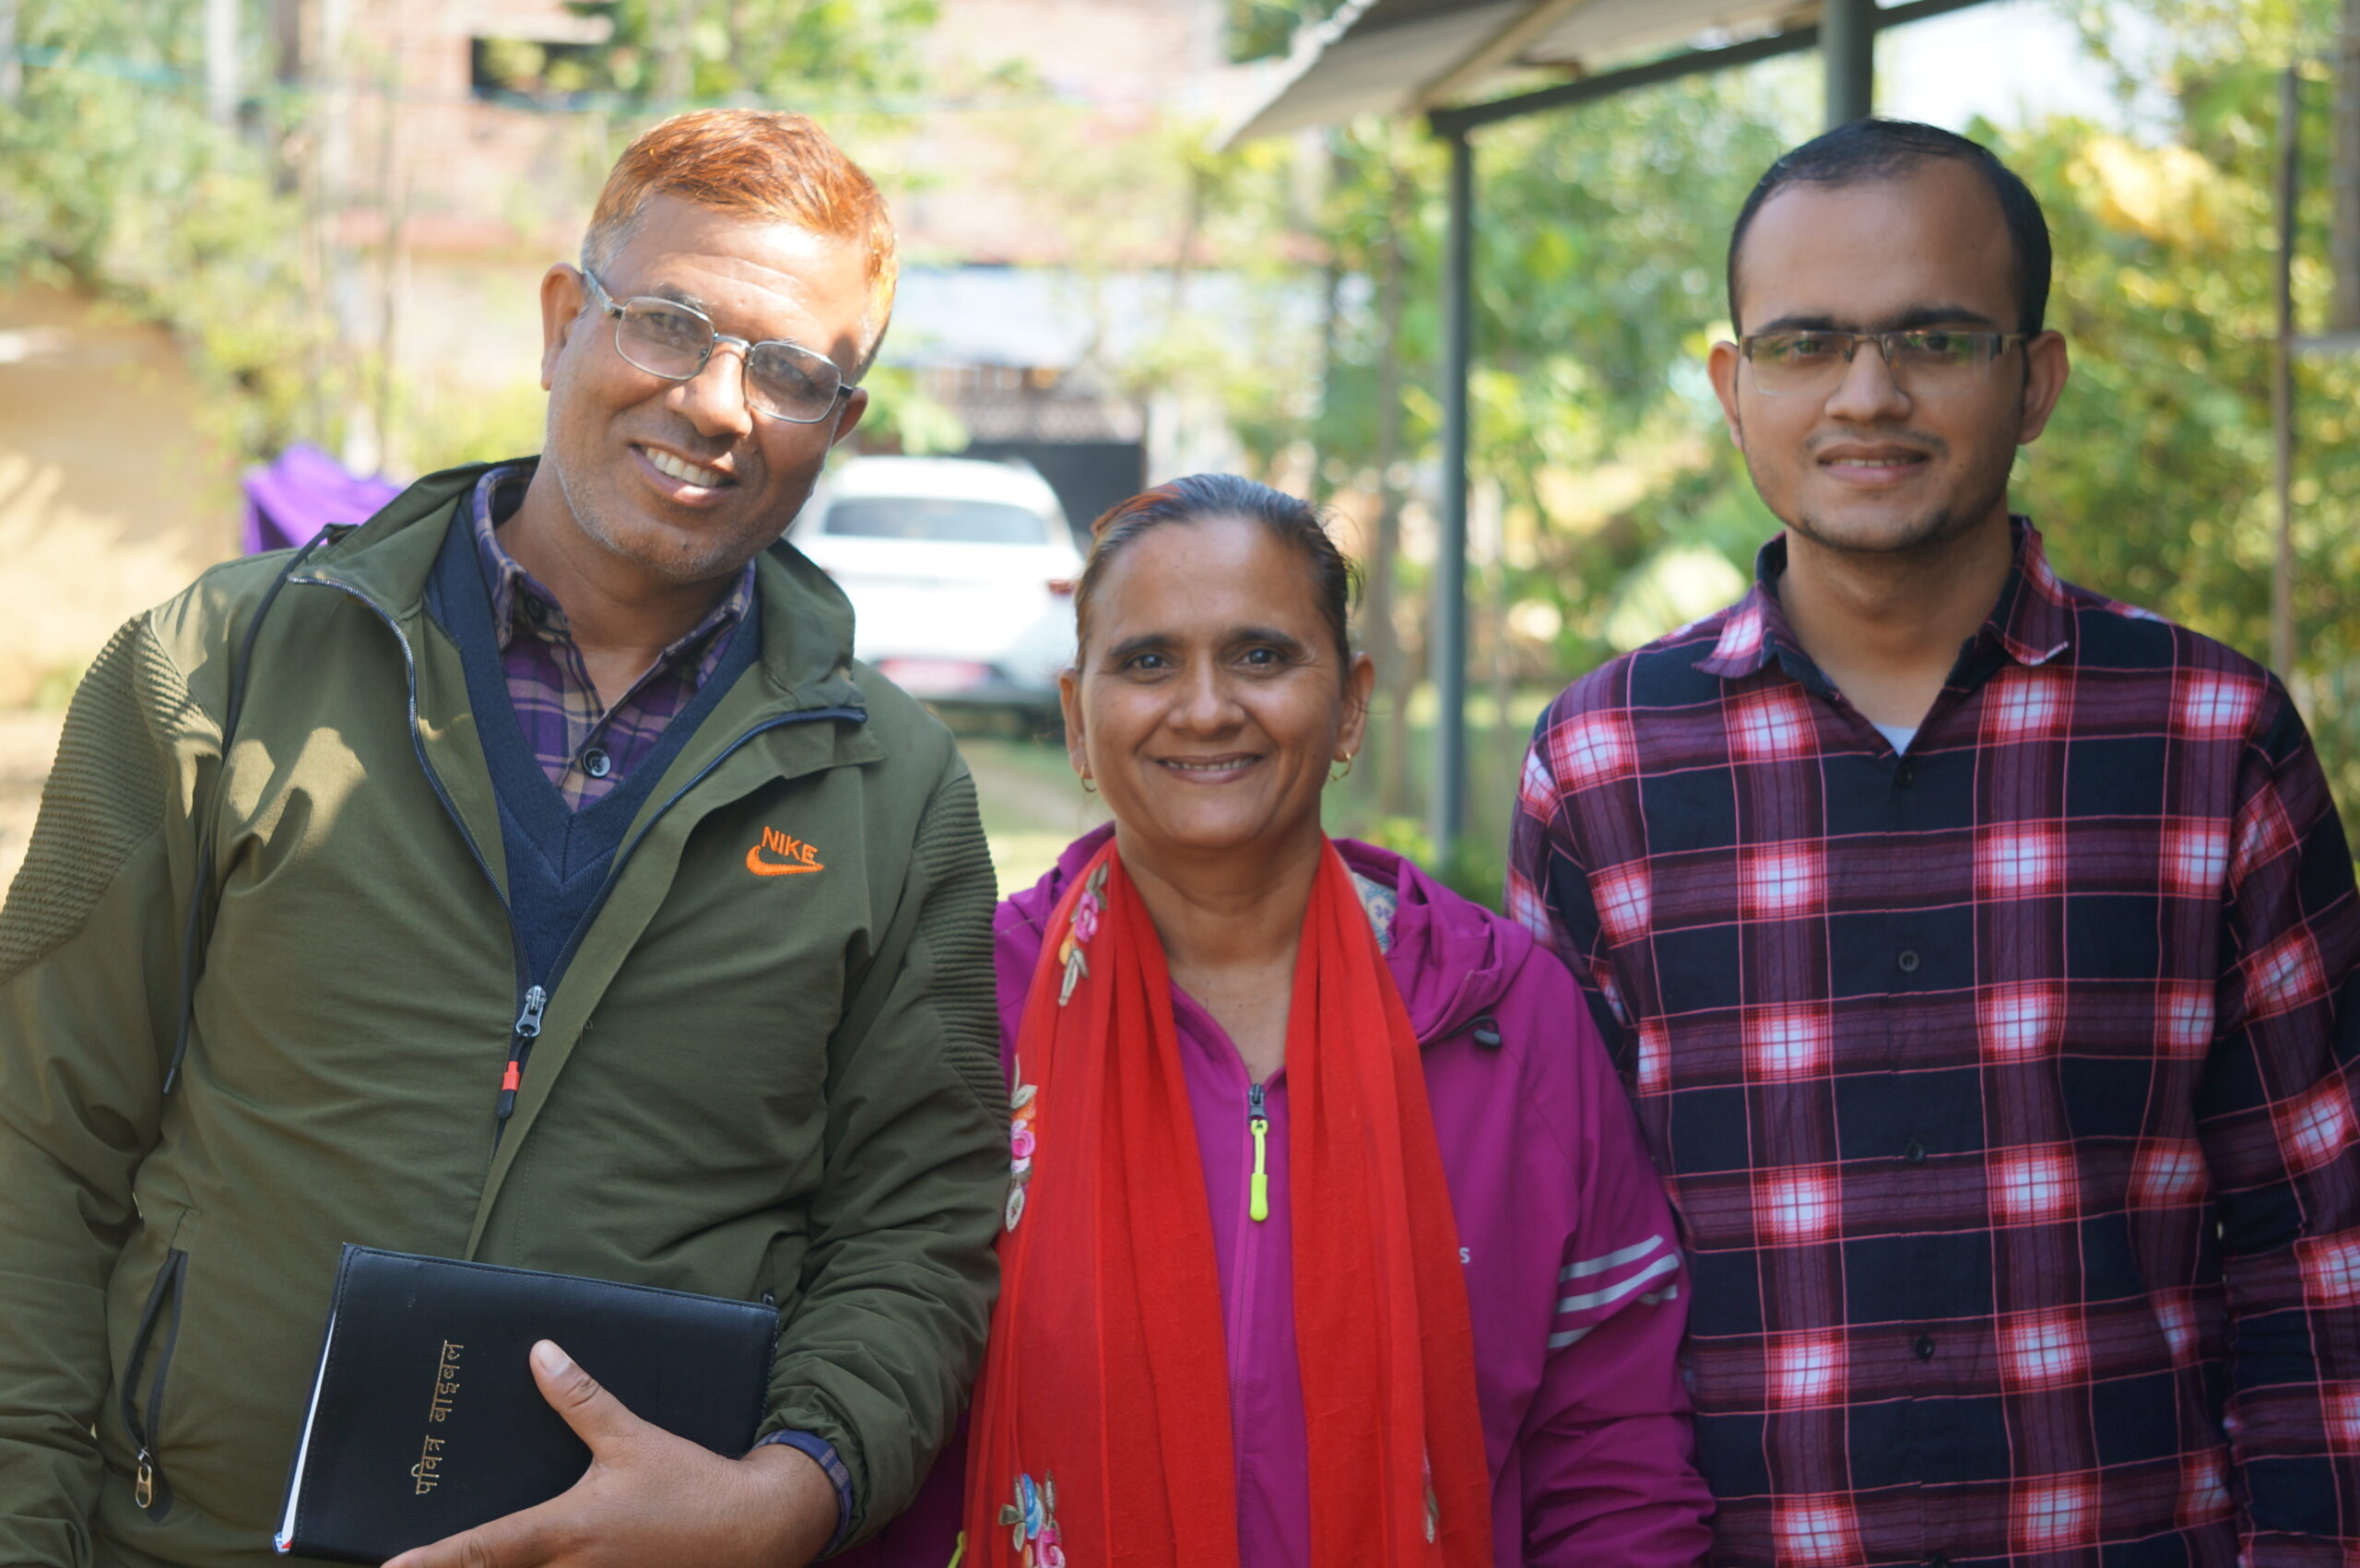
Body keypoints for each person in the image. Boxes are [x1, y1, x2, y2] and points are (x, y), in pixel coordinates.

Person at [0, 110, 1009, 1568]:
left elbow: (916, 1233)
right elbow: (39, 1144)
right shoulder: (216, 671)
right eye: (670, 323)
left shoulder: (895, 792)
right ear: (560, 323)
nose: (720, 402)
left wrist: (788, 1495)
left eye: (789, 369)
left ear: (838, 426)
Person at [1509, 118, 2360, 1565]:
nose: (1866, 395)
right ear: (1733, 386)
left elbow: (2322, 1237)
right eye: (1803, 344)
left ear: (2035, 379)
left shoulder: (2209, 736)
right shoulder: (1602, 763)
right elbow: (1566, 1270)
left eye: (1936, 339)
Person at [854, 474, 1714, 1568]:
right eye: (1148, 660)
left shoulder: (1504, 1015)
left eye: (1261, 655)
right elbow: (877, 1408)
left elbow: (1612, 1449)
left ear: (1349, 702)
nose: (1206, 706)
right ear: (1076, 716)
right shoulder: (969, 1009)